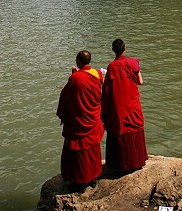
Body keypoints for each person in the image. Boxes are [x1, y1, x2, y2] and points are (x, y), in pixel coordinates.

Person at [56, 50, 104, 188]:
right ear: (88, 61)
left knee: (78, 152)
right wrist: (77, 74)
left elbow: (66, 96)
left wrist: (75, 76)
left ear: (78, 61)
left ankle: (79, 182)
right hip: (92, 119)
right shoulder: (97, 73)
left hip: (79, 121)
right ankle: (93, 177)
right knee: (92, 150)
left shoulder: (75, 79)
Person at [101, 38, 148, 173]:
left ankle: (121, 164)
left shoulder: (112, 66)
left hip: (118, 107)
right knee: (134, 126)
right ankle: (137, 161)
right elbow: (140, 81)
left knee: (119, 129)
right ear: (125, 48)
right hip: (132, 103)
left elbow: (107, 88)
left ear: (113, 50)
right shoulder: (133, 63)